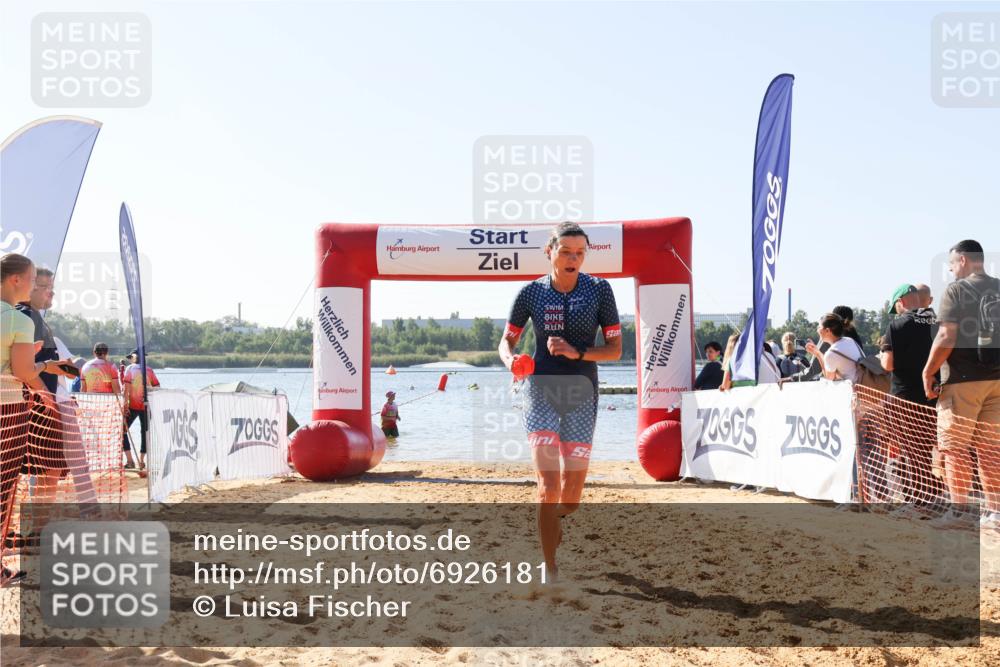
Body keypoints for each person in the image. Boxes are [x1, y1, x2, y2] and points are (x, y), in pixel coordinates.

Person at [498, 222, 621, 582]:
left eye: (580, 253)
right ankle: (550, 568)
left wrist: (576, 350)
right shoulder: (530, 293)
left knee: (570, 498)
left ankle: (556, 517)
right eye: (566, 251)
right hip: (540, 391)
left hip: (582, 393)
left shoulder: (599, 290)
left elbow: (615, 351)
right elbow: (506, 342)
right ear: (549, 251)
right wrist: (512, 362)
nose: (574, 259)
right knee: (548, 487)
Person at [922, 240, 1000, 526]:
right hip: (997, 381)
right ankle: (995, 513)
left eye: (953, 263)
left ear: (964, 260)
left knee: (955, 447)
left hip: (963, 381)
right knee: (991, 448)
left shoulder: (957, 289)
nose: (952, 269)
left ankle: (960, 513)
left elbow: (946, 337)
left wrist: (928, 371)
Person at [14, 267, 75, 525]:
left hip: (32, 406)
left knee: (39, 472)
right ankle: (39, 527)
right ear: (31, 287)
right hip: (39, 408)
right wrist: (47, 399)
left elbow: (48, 364)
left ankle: (37, 527)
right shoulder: (29, 318)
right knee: (47, 472)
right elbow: (27, 367)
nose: (53, 293)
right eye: (48, 287)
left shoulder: (29, 318)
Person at [879, 283, 942, 511]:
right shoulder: (939, 322)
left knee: (912, 452)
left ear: (901, 302)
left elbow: (887, 364)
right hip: (936, 394)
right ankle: (934, 497)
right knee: (932, 450)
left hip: (906, 397)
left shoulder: (897, 324)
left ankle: (918, 502)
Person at [122, 351, 160, 469]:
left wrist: (125, 406)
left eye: (131, 358)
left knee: (121, 431)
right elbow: (157, 387)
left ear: (134, 358)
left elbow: (126, 390)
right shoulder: (149, 370)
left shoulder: (130, 369)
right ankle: (141, 462)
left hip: (132, 406)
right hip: (146, 406)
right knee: (145, 433)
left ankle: (130, 460)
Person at [805, 313, 863, 382]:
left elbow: (829, 378)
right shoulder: (849, 340)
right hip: (865, 384)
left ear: (827, 331)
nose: (817, 330)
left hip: (854, 390)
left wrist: (818, 354)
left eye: (819, 327)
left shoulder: (831, 353)